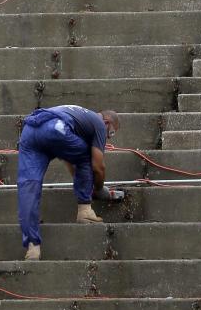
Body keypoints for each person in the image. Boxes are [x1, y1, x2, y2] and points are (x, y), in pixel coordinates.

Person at [16, 104, 123, 259]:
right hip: (54, 127)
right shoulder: (99, 124)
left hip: (30, 130)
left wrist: (83, 184)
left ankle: (33, 247)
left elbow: (70, 158)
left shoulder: (78, 117)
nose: (107, 138)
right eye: (111, 134)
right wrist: (98, 189)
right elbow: (98, 166)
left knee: (28, 187)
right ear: (107, 123)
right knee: (88, 154)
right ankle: (85, 211)